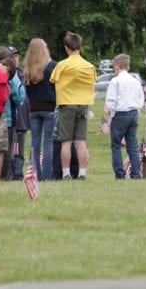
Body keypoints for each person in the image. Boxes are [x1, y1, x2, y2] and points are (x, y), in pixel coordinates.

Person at [50, 31, 96, 180]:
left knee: (66, 142)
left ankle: (66, 173)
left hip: (66, 105)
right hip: (83, 105)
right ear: (80, 46)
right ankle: (82, 173)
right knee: (81, 141)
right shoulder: (89, 67)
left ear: (66, 48)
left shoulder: (62, 65)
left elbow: (53, 80)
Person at [104, 54, 144, 179]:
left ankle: (120, 174)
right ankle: (136, 174)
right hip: (133, 113)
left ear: (116, 67)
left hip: (120, 114)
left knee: (116, 145)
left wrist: (111, 113)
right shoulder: (135, 81)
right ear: (128, 66)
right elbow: (141, 99)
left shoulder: (115, 81)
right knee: (132, 145)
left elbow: (111, 101)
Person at [24, 38, 58, 181]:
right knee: (48, 143)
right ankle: (47, 175)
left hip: (34, 108)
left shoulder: (28, 68)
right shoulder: (52, 66)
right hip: (49, 107)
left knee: (35, 143)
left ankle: (35, 173)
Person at [9, 46, 30, 181]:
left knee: (20, 149)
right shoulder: (5, 75)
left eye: (16, 56)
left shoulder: (24, 75)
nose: (14, 58)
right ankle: (10, 173)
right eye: (11, 56)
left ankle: (18, 174)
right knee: (10, 148)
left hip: (22, 117)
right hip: (10, 117)